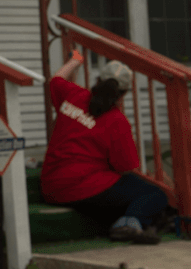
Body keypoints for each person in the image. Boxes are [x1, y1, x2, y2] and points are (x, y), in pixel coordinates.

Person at [40, 61, 167, 244]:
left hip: (51, 186)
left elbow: (56, 79)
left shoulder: (73, 95)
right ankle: (129, 224)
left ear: (97, 80)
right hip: (85, 190)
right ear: (123, 94)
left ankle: (123, 222)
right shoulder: (117, 121)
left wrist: (75, 60)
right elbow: (125, 168)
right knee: (156, 194)